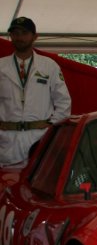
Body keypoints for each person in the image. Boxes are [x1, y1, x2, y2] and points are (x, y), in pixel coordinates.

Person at [0, 17, 71, 166]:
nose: (19, 37)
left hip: (40, 139)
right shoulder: (1, 66)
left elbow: (64, 102)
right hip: (7, 140)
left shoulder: (49, 66)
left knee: (38, 182)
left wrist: (52, 127)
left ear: (35, 36)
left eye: (24, 33)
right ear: (10, 36)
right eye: (15, 33)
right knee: (8, 183)